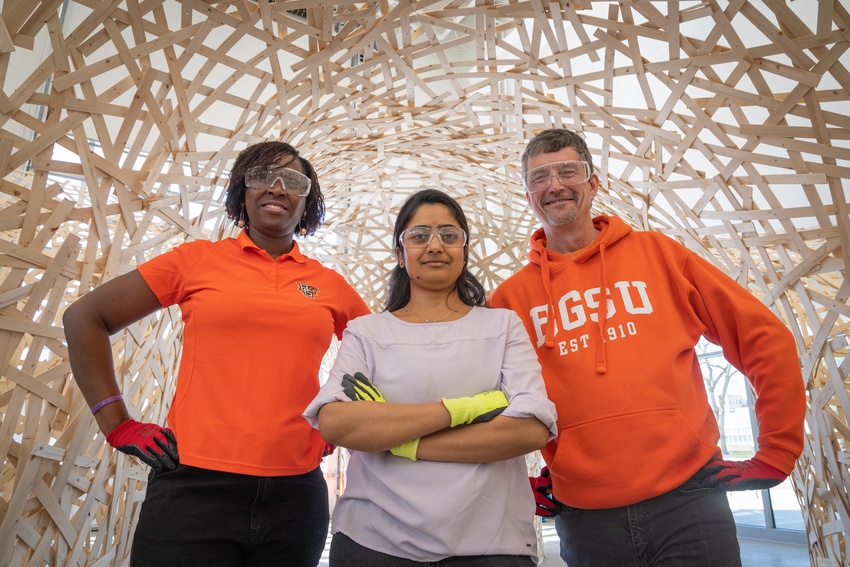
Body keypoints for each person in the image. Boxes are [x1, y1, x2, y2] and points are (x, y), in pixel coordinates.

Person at [488, 128, 807, 566]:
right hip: (585, 518)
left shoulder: (658, 254)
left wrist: (777, 451)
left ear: (593, 182)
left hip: (690, 503)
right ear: (528, 194)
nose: (555, 185)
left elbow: (764, 338)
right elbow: (486, 403)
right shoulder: (509, 299)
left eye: (568, 172)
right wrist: (514, 481)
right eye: (540, 177)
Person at [63, 141, 371, 566]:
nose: (277, 188)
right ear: (242, 192)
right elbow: (84, 318)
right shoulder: (196, 260)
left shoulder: (329, 284)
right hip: (192, 492)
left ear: (308, 201)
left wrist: (340, 421)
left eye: (293, 182)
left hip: (295, 497)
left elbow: (381, 356)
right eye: (263, 177)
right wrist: (116, 423)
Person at [303, 189, 558, 566]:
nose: (435, 245)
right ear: (399, 252)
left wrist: (400, 440)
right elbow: (338, 424)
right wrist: (470, 408)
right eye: (419, 235)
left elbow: (530, 429)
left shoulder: (502, 326)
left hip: (490, 545)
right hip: (373, 543)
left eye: (449, 235)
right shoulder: (367, 333)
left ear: (465, 249)